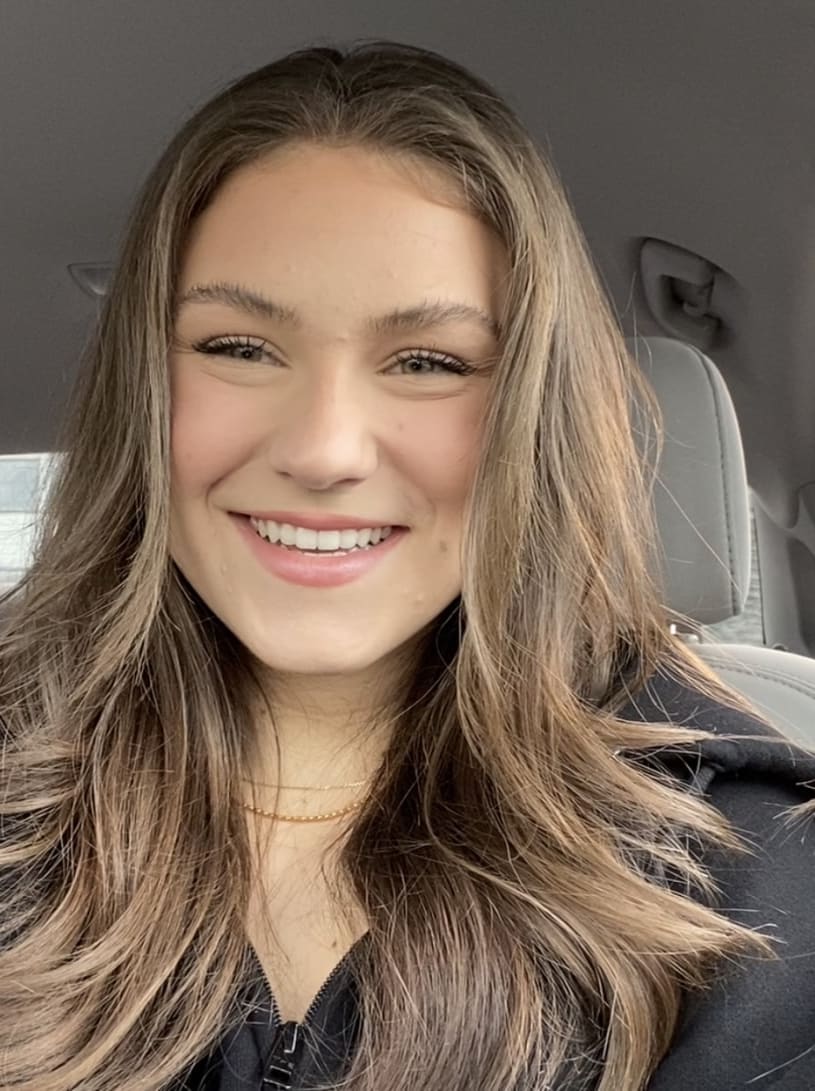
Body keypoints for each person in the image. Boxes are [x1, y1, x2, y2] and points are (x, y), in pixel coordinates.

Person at [1, 40, 814, 1091]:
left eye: (428, 362)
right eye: (238, 347)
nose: (324, 450)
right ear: (143, 387)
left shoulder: (747, 878)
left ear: (529, 413)